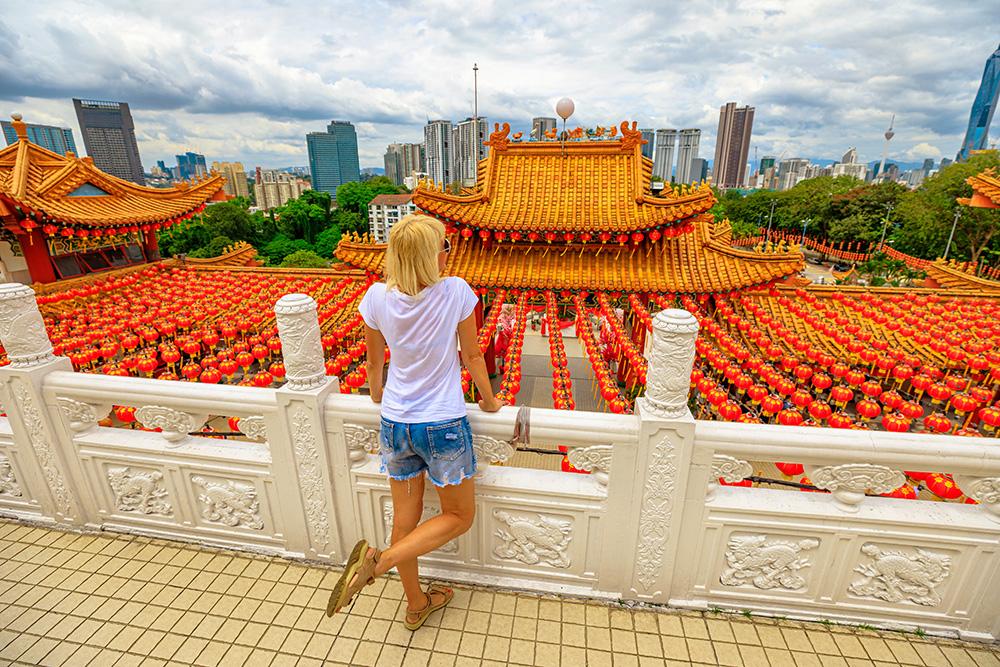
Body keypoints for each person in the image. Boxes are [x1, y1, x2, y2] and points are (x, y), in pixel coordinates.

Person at [327, 213, 505, 630]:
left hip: (394, 423)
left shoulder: (374, 297)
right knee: (459, 517)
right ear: (432, 255)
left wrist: (375, 395)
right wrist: (491, 400)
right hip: (441, 424)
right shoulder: (456, 292)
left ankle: (416, 603)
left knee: (403, 521)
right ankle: (381, 562)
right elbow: (473, 355)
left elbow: (375, 362)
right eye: (444, 246)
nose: (448, 253)